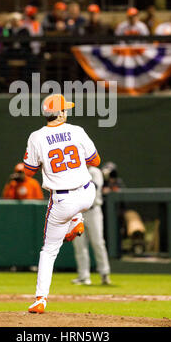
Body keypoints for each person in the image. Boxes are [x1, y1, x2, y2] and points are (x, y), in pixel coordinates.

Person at [24, 94, 100, 313]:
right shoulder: (77, 131)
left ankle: (40, 299)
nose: (66, 111)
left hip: (63, 200)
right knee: (77, 204)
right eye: (64, 109)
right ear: (58, 113)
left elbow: (28, 172)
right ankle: (77, 220)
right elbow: (95, 161)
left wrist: (43, 162)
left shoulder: (36, 137)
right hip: (88, 194)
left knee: (48, 251)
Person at [72, 165, 111, 286]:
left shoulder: (95, 171)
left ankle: (104, 273)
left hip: (93, 211)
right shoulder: (73, 170)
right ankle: (83, 276)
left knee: (98, 242)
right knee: (79, 245)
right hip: (77, 212)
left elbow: (94, 186)